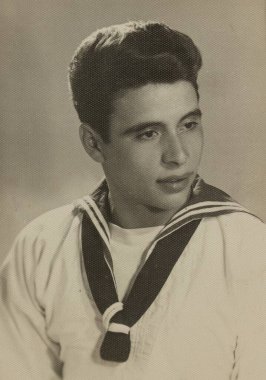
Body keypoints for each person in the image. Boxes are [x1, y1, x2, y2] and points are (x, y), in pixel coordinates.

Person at [0, 20, 265, 380]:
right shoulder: (40, 249)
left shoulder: (248, 247)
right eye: (149, 133)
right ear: (94, 143)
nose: (178, 156)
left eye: (188, 124)